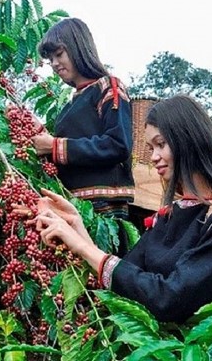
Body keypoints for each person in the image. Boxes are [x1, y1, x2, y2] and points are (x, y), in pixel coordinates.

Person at [31, 95, 212, 323]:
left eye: (161, 144)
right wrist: (77, 227)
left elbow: (170, 299)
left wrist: (81, 245)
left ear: (189, 140)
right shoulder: (171, 214)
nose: (154, 157)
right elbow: (130, 279)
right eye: (150, 147)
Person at [31, 17, 135, 255]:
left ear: (78, 47)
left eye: (59, 54)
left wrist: (54, 147)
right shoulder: (71, 104)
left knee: (102, 277)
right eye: (50, 59)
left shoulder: (109, 87)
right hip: (73, 207)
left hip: (103, 211)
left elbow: (119, 144)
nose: (55, 63)